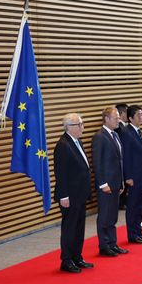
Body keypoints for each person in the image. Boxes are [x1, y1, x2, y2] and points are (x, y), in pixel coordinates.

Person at [53, 113, 94, 273]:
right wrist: (63, 196)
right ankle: (67, 260)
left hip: (80, 194)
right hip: (69, 195)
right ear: (68, 127)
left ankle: (77, 257)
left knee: (79, 227)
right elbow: (61, 173)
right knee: (70, 228)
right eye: (79, 124)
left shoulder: (77, 141)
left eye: (82, 124)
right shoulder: (63, 145)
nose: (82, 127)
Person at [92, 107, 128, 257]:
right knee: (105, 215)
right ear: (106, 119)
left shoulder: (115, 135)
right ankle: (104, 245)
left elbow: (119, 161)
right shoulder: (100, 137)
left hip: (116, 183)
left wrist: (121, 182)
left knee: (113, 215)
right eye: (115, 118)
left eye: (119, 117)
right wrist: (102, 183)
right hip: (106, 184)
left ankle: (113, 243)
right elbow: (97, 162)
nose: (118, 120)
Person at [118, 105, 142, 244]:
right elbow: (125, 156)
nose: (141, 117)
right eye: (138, 115)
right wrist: (128, 177)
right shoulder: (126, 132)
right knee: (133, 206)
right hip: (134, 176)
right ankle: (132, 234)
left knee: (140, 205)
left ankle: (138, 231)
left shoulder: (138, 131)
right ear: (130, 118)